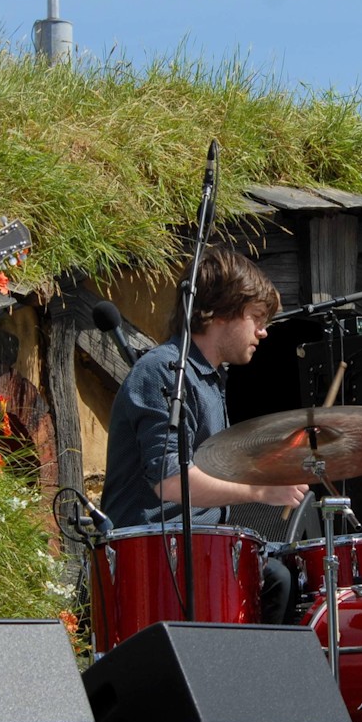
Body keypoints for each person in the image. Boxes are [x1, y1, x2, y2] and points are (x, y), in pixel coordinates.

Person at [101, 247, 304, 624]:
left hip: (201, 548)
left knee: (285, 576)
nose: (263, 332)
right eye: (256, 318)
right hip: (151, 556)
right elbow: (169, 481)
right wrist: (261, 491)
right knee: (277, 580)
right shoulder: (163, 372)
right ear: (220, 312)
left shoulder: (210, 380)